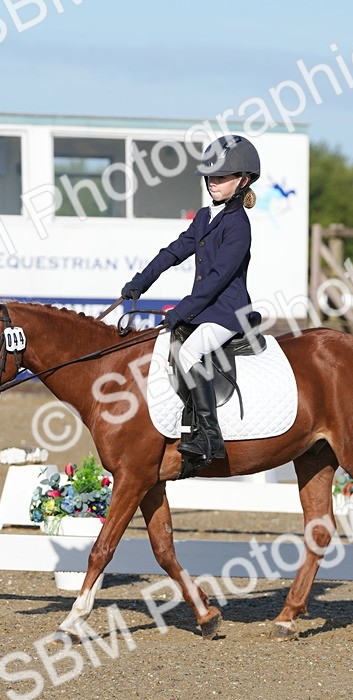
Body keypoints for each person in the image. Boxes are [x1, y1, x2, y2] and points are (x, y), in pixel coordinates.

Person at [120, 134, 260, 466]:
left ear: (243, 180)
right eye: (210, 176)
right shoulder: (204, 217)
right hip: (208, 309)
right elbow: (174, 252)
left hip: (228, 311)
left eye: (221, 177)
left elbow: (216, 281)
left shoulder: (238, 225)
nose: (213, 182)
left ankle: (210, 437)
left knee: (188, 352)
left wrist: (181, 311)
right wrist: (142, 281)